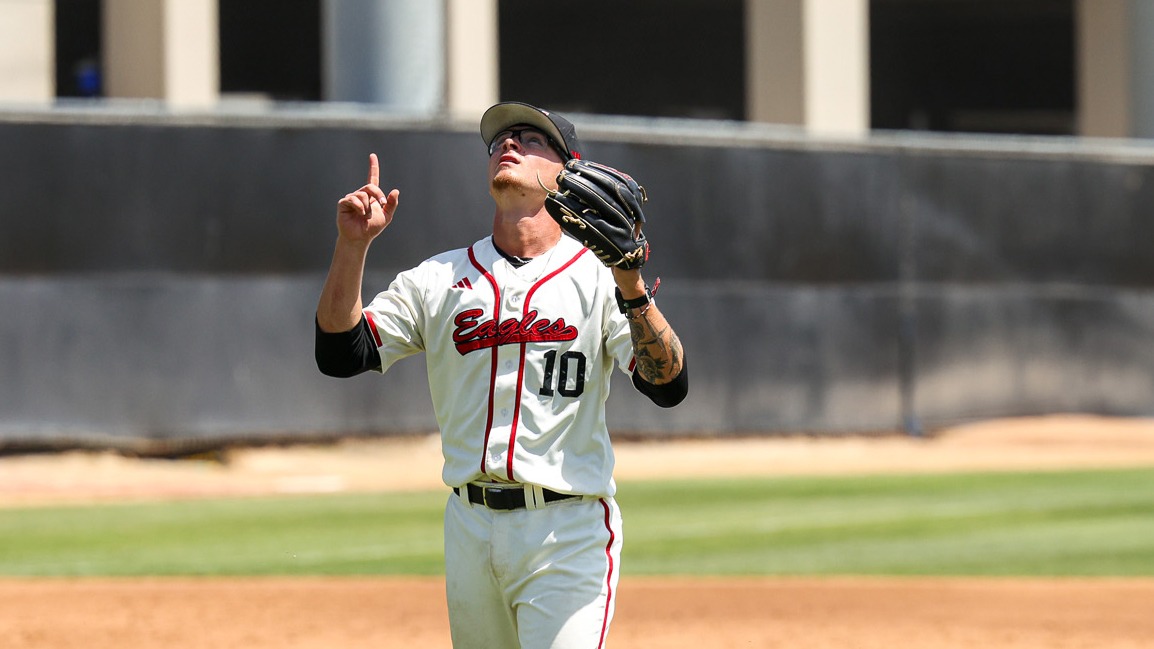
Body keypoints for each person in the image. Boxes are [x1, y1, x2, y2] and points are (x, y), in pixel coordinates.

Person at [315, 101, 688, 648]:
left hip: (567, 529)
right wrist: (353, 247)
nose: (507, 145)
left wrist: (631, 284)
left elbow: (669, 385)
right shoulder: (438, 277)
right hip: (469, 526)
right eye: (499, 140)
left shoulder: (599, 277)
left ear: (568, 171)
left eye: (530, 139)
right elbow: (341, 352)